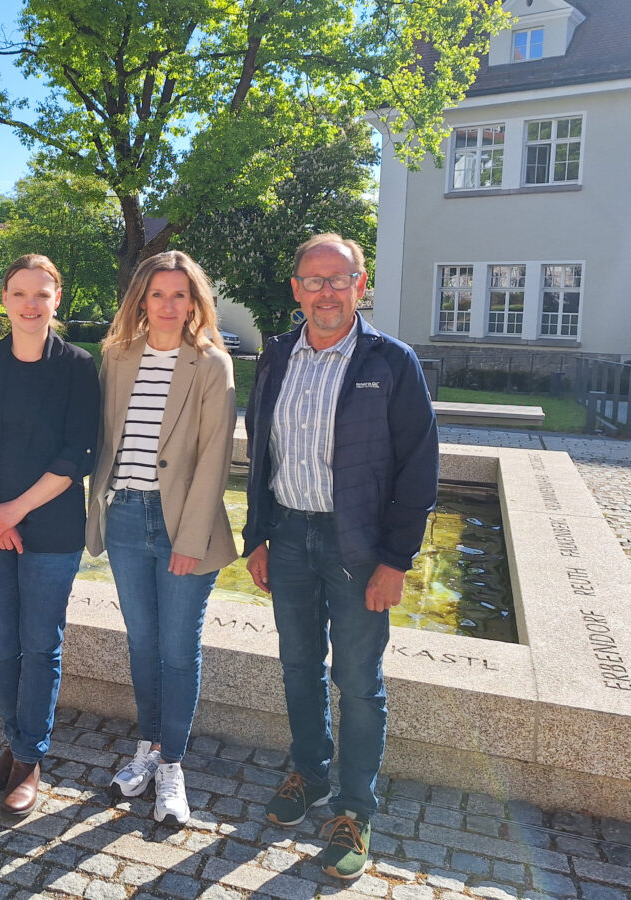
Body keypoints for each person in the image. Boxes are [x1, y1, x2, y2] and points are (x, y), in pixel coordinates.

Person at [243, 233, 438, 880]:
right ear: (296, 289)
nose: (326, 291)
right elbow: (260, 454)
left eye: (339, 279)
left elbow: (418, 469)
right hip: (290, 537)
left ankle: (354, 809)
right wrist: (258, 536)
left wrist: (396, 560)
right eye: (313, 280)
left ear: (361, 285)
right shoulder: (275, 358)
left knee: (358, 683)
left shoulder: (391, 363)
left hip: (359, 549)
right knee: (298, 665)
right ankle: (307, 772)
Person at [86, 250, 237, 826]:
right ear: (141, 300)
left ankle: (173, 763)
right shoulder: (117, 356)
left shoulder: (212, 364)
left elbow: (214, 460)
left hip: (182, 526)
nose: (168, 305)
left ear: (195, 301)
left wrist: (190, 539)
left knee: (178, 651)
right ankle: (147, 749)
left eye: (180, 295)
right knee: (143, 645)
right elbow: (105, 442)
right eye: (157, 295)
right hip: (125, 517)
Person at [0, 254, 99, 819]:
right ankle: (17, 748)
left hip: (52, 528)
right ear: (4, 299)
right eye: (19, 294)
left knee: (40, 645)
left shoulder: (79, 366)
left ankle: (29, 758)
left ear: (58, 298)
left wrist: (15, 510)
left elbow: (77, 453)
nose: (30, 305)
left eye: (42, 294)